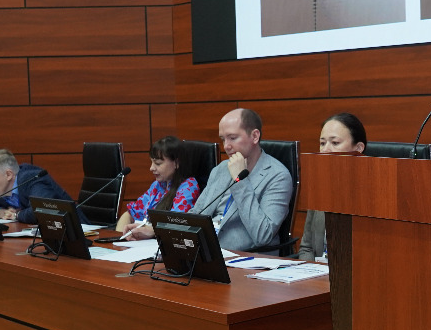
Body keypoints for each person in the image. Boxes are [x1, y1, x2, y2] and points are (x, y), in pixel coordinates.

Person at [190, 108, 293, 253]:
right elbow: (197, 213)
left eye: (232, 138)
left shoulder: (277, 176)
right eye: (223, 139)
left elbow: (263, 235)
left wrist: (240, 181)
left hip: (247, 257)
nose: (226, 146)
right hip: (207, 253)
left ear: (255, 136)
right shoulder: (221, 169)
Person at [297, 112, 367, 262]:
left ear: (359, 148)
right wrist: (312, 270)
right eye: (322, 143)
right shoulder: (319, 187)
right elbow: (306, 248)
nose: (325, 150)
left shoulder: (370, 193)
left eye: (335, 143)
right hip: (317, 272)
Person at [114, 136, 201, 240]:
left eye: (158, 163)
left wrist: (150, 230)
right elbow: (130, 213)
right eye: (151, 162)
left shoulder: (189, 187)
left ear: (176, 163)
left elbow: (175, 224)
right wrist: (119, 238)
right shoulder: (158, 185)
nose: (151, 168)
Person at [0, 149, 72, 224]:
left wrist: (16, 215)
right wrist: (0, 211)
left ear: (8, 175)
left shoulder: (33, 179)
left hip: (74, 232)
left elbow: (41, 210)